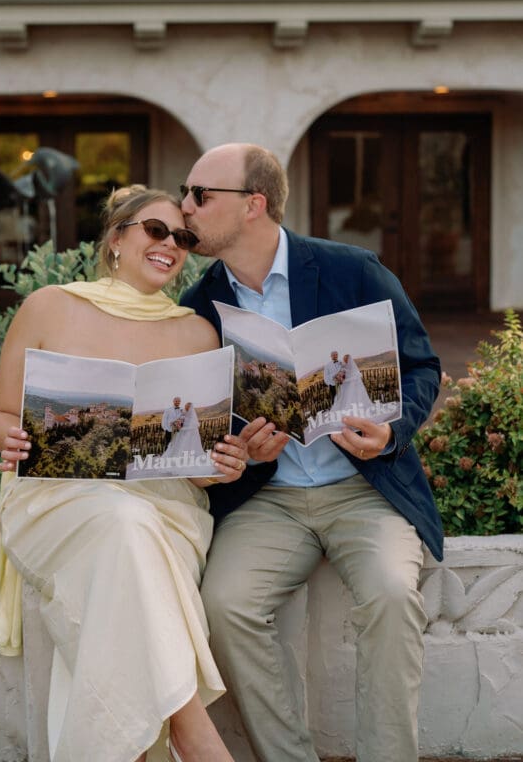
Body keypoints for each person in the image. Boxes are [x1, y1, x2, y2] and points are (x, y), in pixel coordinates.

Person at [179, 143, 443, 762]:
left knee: (390, 593)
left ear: (253, 204)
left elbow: (422, 366)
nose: (185, 207)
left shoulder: (352, 269)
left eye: (199, 195)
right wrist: (241, 447)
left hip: (362, 488)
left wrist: (391, 430)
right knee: (224, 605)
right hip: (268, 499)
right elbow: (202, 426)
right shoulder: (196, 309)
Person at [0, 186, 251, 762]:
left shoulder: (196, 332)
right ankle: (192, 729)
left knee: (130, 526)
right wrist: (15, 438)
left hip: (167, 506)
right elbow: (2, 415)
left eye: (183, 238)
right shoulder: (50, 305)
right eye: (155, 230)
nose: (170, 245)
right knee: (123, 522)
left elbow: (198, 464)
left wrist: (223, 465)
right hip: (57, 499)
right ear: (117, 237)